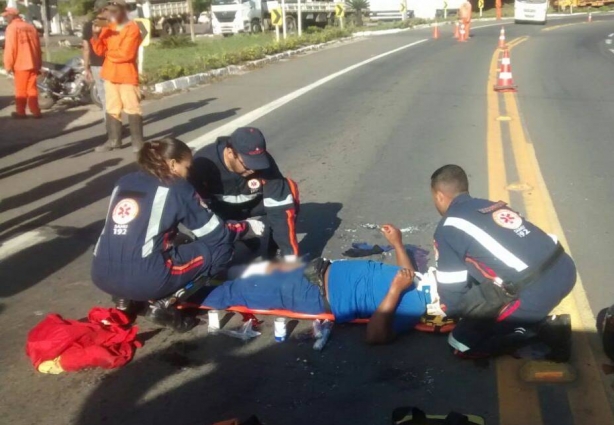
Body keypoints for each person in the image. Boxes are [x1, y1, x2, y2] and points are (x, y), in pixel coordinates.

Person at [91, 138, 262, 331]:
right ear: (173, 164)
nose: (188, 174)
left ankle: (124, 299)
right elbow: (217, 234)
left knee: (175, 242)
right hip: (145, 277)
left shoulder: (124, 181)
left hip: (101, 273)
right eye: (187, 167)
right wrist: (246, 228)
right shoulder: (176, 186)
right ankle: (162, 304)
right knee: (221, 249)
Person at [430, 165, 576, 360]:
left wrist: (463, 315)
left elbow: (453, 300)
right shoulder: (489, 205)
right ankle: (531, 318)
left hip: (537, 291)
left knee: (460, 344)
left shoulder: (447, 227)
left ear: (439, 195)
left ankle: (540, 332)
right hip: (565, 269)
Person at [203, 224, 433, 344]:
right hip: (317, 270)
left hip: (313, 293)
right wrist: (398, 244)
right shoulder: (423, 284)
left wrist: (394, 290)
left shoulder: (415, 309)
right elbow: (408, 274)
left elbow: (375, 336)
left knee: (237, 292)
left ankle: (179, 296)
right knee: (242, 273)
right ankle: (201, 272)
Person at [190, 127, 300, 261]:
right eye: (247, 165)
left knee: (289, 192)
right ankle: (243, 238)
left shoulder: (265, 162)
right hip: (222, 210)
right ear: (230, 153)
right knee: (215, 257)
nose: (253, 169)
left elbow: (280, 208)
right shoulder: (202, 163)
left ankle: (274, 252)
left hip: (255, 204)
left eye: (257, 164)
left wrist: (290, 257)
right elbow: (197, 211)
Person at [90, 0, 143, 153]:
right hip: (110, 74)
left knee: (132, 108)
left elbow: (126, 54)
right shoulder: (108, 27)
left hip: (126, 75)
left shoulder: (131, 28)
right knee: (112, 108)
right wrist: (95, 35)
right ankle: (114, 140)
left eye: (106, 10)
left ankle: (138, 143)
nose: (104, 14)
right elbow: (99, 51)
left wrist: (108, 54)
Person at [2, 7, 42, 119]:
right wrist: (39, 63)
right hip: (33, 63)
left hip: (21, 63)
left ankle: (21, 112)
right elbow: (38, 47)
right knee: (32, 89)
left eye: (7, 16)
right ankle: (36, 111)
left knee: (20, 90)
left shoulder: (12, 28)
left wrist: (8, 65)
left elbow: (10, 48)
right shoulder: (30, 27)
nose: (5, 18)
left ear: (12, 16)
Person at [82, 0, 108, 119]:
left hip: (96, 65)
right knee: (112, 96)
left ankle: (110, 126)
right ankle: (115, 125)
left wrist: (86, 67)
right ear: (103, 10)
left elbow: (86, 48)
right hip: (109, 63)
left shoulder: (88, 25)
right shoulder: (108, 24)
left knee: (103, 96)